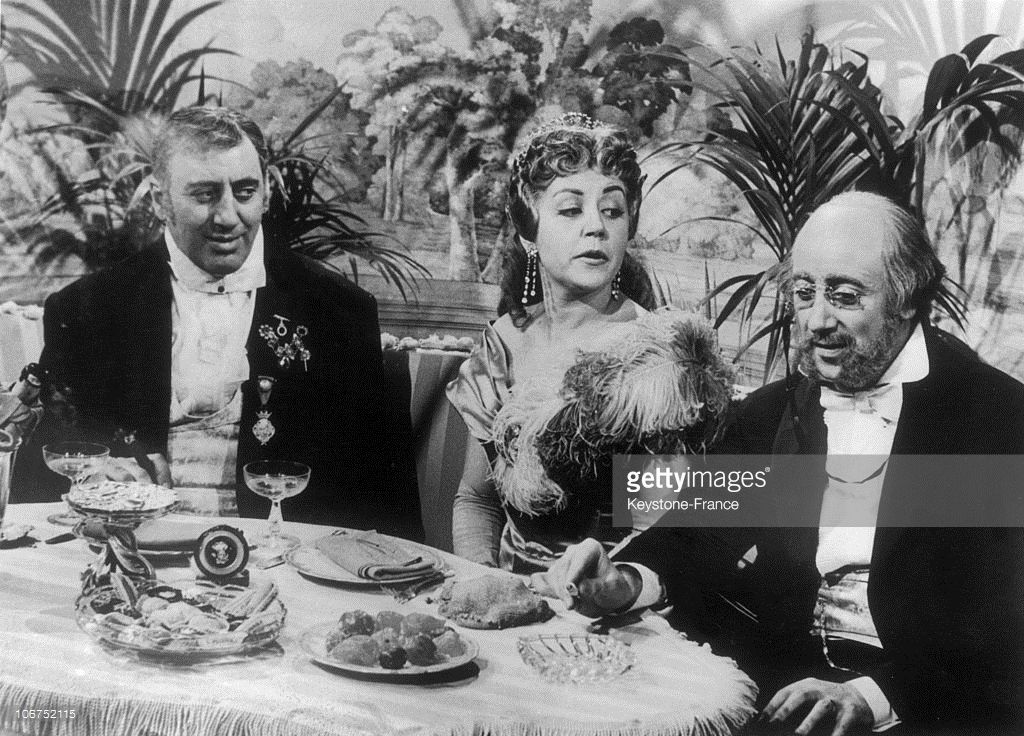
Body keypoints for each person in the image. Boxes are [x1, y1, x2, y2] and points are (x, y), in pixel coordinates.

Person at [535, 192, 1024, 735]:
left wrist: (874, 695)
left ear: (907, 298)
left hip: (931, 702)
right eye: (804, 292)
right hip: (780, 682)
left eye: (844, 296)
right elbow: (693, 535)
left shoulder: (995, 420)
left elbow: (1003, 627)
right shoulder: (775, 411)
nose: (816, 321)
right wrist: (622, 580)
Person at [30, 106, 403, 531]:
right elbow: (47, 471)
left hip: (287, 556)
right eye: (205, 195)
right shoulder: (86, 309)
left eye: (245, 192)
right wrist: (99, 475)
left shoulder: (339, 311)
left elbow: (380, 500)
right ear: (159, 201)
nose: (227, 217)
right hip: (131, 547)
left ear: (266, 193)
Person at [446, 113, 732, 573]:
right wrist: (482, 580)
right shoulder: (501, 345)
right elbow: (477, 500)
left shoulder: (659, 355)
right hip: (514, 588)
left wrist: (604, 589)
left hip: (617, 592)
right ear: (528, 227)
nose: (596, 227)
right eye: (571, 209)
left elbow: (665, 532)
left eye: (612, 211)